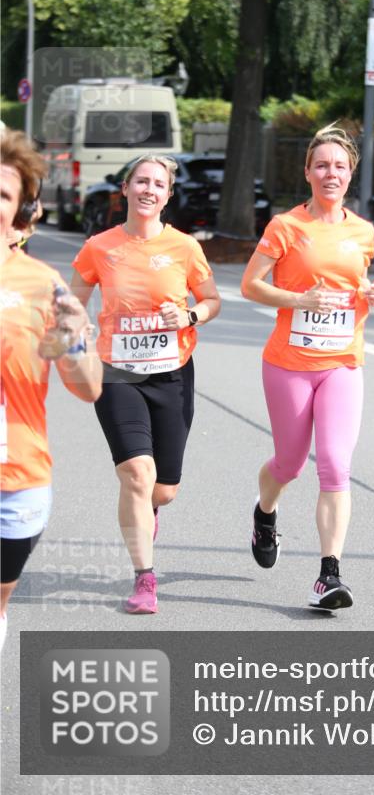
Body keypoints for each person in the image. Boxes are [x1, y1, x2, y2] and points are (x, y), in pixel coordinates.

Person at [241, 125, 374, 610]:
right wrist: (298, 298)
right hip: (288, 363)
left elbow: (358, 283)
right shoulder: (286, 227)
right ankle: (266, 512)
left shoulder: (363, 230)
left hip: (342, 362)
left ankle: (329, 575)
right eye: (321, 165)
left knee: (334, 464)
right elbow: (250, 285)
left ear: (350, 174)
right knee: (288, 463)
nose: (331, 173)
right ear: (307, 172)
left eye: (339, 166)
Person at [70, 154, 221, 615]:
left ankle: (149, 509)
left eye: (158, 183)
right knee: (136, 473)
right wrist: (76, 336)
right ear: (126, 188)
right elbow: (73, 302)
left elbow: (212, 299)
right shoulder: (100, 246)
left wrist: (190, 314)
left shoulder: (184, 247)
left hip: (172, 372)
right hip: (116, 373)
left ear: (168, 195)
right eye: (141, 181)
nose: (149, 190)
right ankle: (144, 578)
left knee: (163, 488)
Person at [1, 130, 102, 651]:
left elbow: (85, 388)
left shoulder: (44, 285)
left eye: (2, 195)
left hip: (15, 476)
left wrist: (72, 337)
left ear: (22, 211)